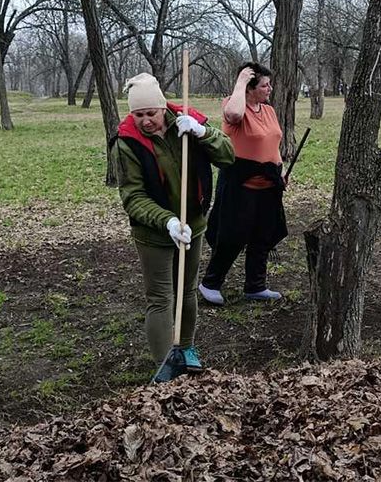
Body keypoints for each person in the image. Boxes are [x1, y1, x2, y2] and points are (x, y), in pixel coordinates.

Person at [112, 73, 234, 375]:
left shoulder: (186, 124)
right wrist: (166, 220)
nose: (145, 121)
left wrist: (202, 133)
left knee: (188, 290)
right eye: (138, 115)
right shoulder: (127, 143)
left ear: (162, 107)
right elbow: (133, 196)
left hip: (194, 223)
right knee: (161, 297)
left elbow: (228, 156)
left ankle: (186, 348)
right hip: (154, 233)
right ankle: (165, 365)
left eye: (150, 113)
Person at [199, 62, 288, 305]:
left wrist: (279, 172)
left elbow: (274, 142)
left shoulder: (268, 110)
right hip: (241, 182)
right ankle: (210, 283)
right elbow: (234, 115)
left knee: (263, 235)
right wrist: (239, 81)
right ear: (249, 88)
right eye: (264, 85)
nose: (269, 88)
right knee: (232, 235)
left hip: (269, 183)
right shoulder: (234, 106)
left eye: (269, 84)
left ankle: (255, 286)